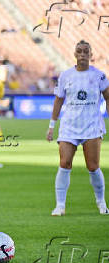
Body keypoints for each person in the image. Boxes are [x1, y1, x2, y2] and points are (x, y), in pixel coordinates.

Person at [46, 40, 109, 216]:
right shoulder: (66, 76)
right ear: (74, 54)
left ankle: (101, 202)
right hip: (69, 126)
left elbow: (108, 96)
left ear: (91, 55)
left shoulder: (99, 76)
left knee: (93, 166)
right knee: (64, 163)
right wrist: (52, 126)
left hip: (91, 126)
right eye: (79, 51)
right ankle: (60, 205)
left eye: (85, 51)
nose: (82, 54)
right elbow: (58, 100)